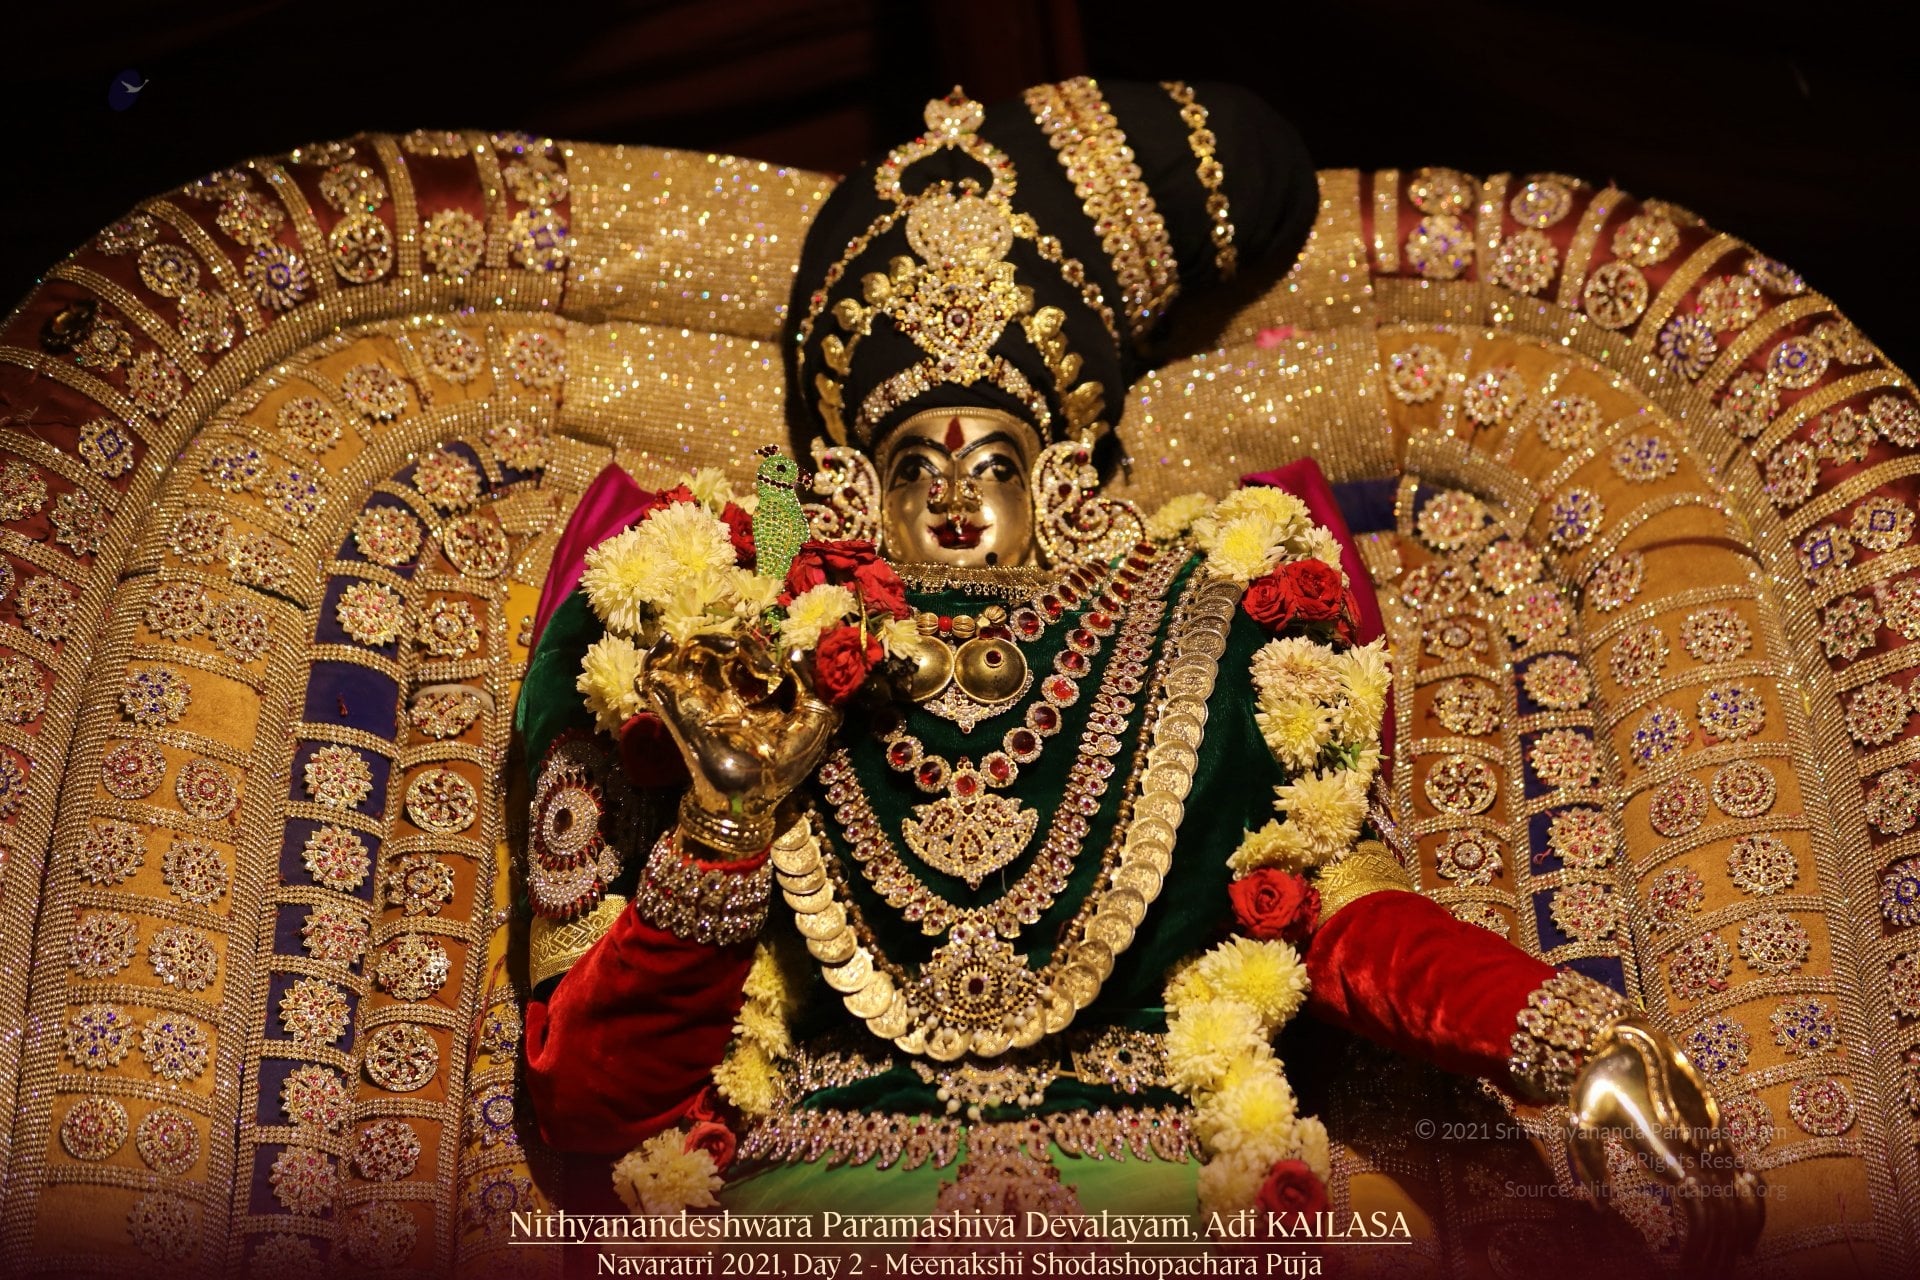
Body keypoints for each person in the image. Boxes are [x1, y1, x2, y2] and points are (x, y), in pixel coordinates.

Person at [514, 78, 1761, 1266]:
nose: (954, 496)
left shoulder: (1220, 625)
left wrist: (1574, 1039)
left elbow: (1343, 918)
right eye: (916, 467)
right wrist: (724, 821)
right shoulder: (741, 647)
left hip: (1161, 1195)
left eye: (992, 463)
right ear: (854, 490)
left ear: (1061, 478)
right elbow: (586, 1096)